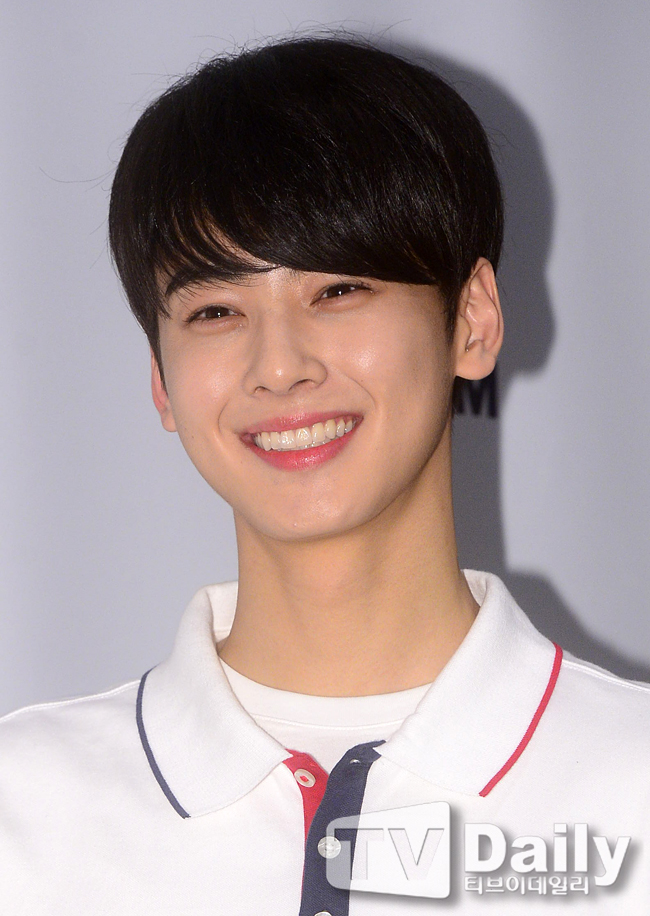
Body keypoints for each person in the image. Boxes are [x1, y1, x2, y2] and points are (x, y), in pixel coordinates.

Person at [1, 34, 648, 915]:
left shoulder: (632, 787)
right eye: (216, 311)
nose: (279, 367)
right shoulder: (24, 811)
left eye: (337, 291)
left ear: (473, 320)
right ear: (161, 379)